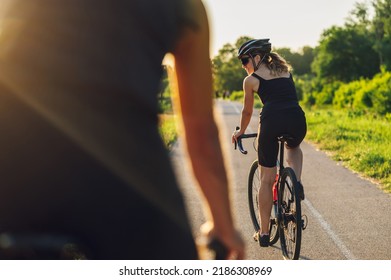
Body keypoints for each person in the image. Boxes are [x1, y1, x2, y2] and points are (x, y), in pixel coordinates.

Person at [0, 0, 244, 259]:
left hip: (13, 164)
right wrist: (223, 226)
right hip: (128, 179)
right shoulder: (188, 6)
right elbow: (202, 134)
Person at [232, 39, 307, 247]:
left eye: (245, 60)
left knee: (266, 179)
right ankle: (297, 182)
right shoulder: (286, 72)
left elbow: (247, 112)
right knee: (293, 146)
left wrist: (241, 132)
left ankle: (264, 233)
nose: (243, 66)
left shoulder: (251, 80)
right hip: (297, 119)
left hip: (271, 121)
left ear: (257, 58)